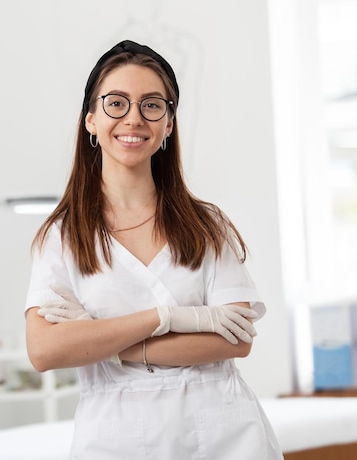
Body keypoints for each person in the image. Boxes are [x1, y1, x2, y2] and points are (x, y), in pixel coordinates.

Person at [24, 39, 283, 459]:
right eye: (116, 103)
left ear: (168, 124)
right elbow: (45, 350)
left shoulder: (205, 224)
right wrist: (168, 318)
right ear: (90, 120)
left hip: (224, 435)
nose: (134, 118)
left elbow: (236, 340)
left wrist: (102, 338)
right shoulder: (63, 235)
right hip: (116, 437)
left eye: (151, 105)